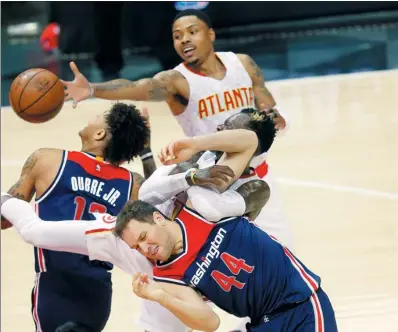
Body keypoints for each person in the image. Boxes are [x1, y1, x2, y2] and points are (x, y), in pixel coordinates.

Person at [61, 9, 293, 250]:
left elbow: (270, 108)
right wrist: (92, 89)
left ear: (210, 34)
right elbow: (139, 86)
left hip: (259, 176)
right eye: (177, 36)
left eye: (193, 32)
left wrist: (278, 118)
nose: (185, 40)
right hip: (215, 185)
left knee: (285, 252)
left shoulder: (242, 64)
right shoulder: (177, 81)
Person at [1, 128, 267, 332]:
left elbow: (210, 322)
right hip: (123, 239)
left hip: (169, 280)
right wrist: (192, 160)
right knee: (34, 231)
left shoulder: (218, 204)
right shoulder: (191, 194)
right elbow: (151, 192)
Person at [1, 103, 154, 332]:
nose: (92, 116)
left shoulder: (48, 160)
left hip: (54, 287)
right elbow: (159, 204)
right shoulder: (133, 184)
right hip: (97, 292)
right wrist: (147, 152)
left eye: (100, 115)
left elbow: (5, 219)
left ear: (100, 133)